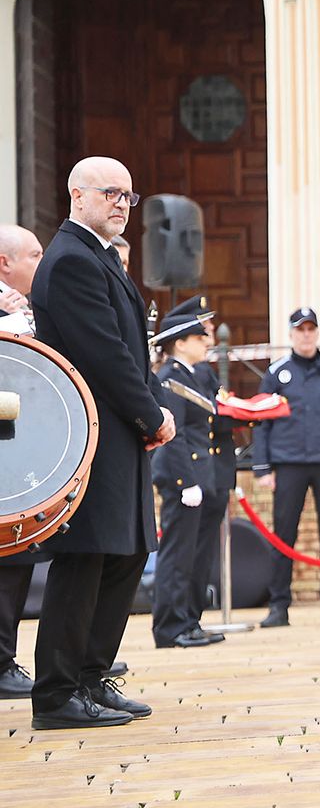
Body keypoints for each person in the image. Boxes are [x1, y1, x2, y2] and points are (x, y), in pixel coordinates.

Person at [30, 156, 175, 729]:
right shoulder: (70, 259)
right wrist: (152, 415)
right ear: (77, 195)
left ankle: (91, 677)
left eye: (128, 196)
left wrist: (151, 406)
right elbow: (104, 354)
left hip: (119, 428)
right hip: (92, 429)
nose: (121, 203)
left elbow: (131, 349)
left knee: (126, 550)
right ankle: (58, 694)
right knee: (86, 555)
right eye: (111, 192)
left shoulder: (96, 256)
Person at [253, 308, 320, 627]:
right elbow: (262, 421)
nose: (306, 335)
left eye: (311, 329)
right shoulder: (276, 372)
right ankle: (279, 605)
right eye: (300, 330)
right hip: (288, 463)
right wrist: (262, 467)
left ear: (317, 333)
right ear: (291, 334)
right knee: (284, 535)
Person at [149, 310, 225, 649]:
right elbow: (173, 435)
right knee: (178, 556)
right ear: (179, 343)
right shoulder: (169, 378)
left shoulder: (196, 375)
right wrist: (184, 480)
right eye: (199, 337)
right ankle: (170, 627)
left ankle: (190, 620)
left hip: (203, 475)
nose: (206, 342)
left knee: (197, 556)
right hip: (184, 478)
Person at [0, 224, 44, 699]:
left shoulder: (28, 307)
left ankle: (4, 658)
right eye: (33, 254)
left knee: (17, 555)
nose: (41, 261)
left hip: (20, 447)